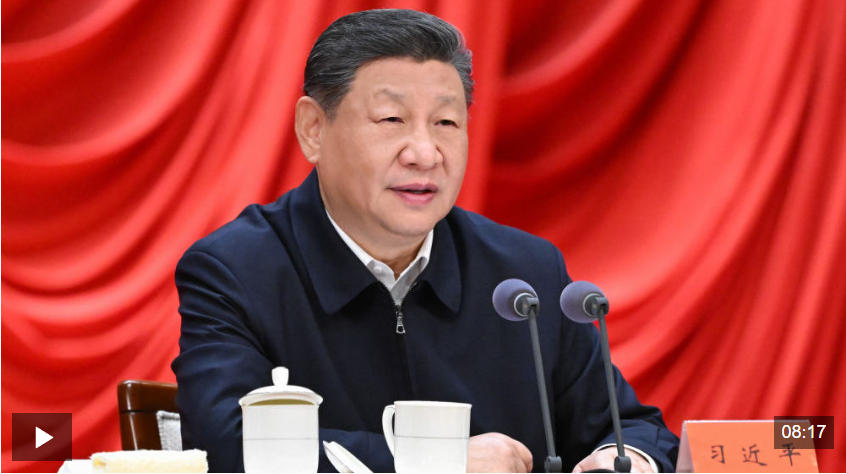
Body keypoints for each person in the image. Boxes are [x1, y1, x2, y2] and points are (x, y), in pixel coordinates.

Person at [172, 9, 679, 473]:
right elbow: (225, 446)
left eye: (446, 123)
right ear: (313, 130)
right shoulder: (237, 270)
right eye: (392, 120)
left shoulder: (524, 274)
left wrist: (625, 460)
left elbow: (632, 429)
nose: (425, 152)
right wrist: (437, 461)